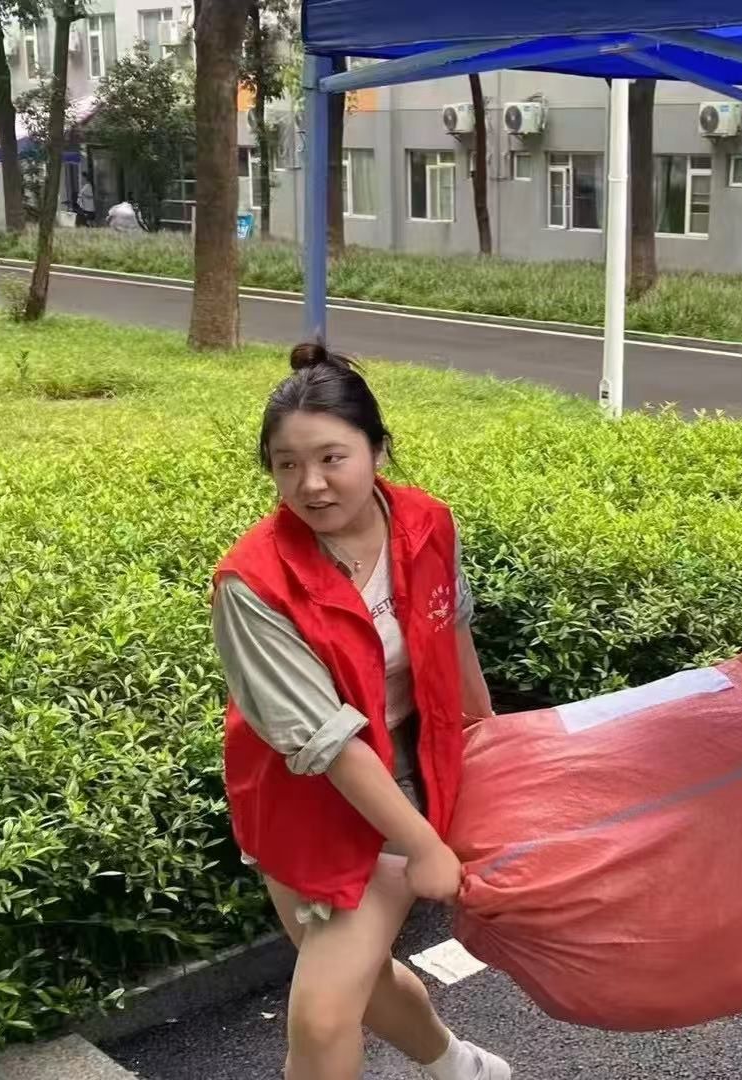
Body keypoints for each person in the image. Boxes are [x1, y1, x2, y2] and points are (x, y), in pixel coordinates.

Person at [211, 343, 509, 1080]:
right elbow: (328, 742)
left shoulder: (425, 522)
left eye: (331, 458)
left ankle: (462, 1068)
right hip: (303, 797)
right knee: (358, 983)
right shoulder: (251, 583)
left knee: (322, 1012)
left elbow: (452, 633)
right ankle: (462, 1067)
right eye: (287, 464)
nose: (310, 484)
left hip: (410, 773)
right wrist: (424, 847)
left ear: (377, 450)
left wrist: (492, 743)